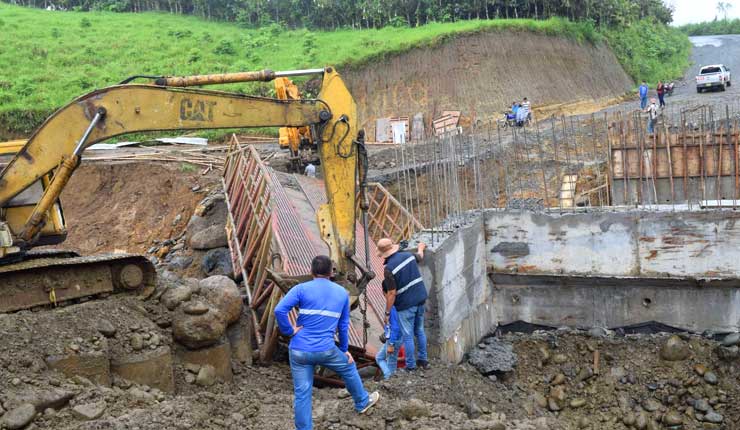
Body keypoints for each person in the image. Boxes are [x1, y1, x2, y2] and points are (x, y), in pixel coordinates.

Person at [275, 255, 380, 430]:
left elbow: (280, 310)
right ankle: (362, 401)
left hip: (299, 349)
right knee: (348, 367)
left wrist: (289, 331)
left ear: (311, 271)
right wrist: (345, 350)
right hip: (326, 349)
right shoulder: (342, 294)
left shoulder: (301, 289)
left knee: (302, 393)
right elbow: (343, 326)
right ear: (331, 272)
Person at [377, 238, 429, 370]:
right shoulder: (408, 256)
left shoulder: (389, 269)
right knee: (420, 330)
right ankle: (423, 360)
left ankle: (411, 366)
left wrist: (387, 312)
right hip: (421, 298)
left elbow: (392, 293)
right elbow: (420, 257)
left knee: (408, 336)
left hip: (406, 305)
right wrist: (421, 247)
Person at [375, 305, 403, 379]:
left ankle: (389, 378)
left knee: (391, 361)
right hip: (393, 337)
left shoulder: (392, 307)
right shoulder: (399, 306)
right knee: (379, 358)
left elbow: (395, 327)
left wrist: (391, 344)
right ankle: (389, 377)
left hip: (393, 339)